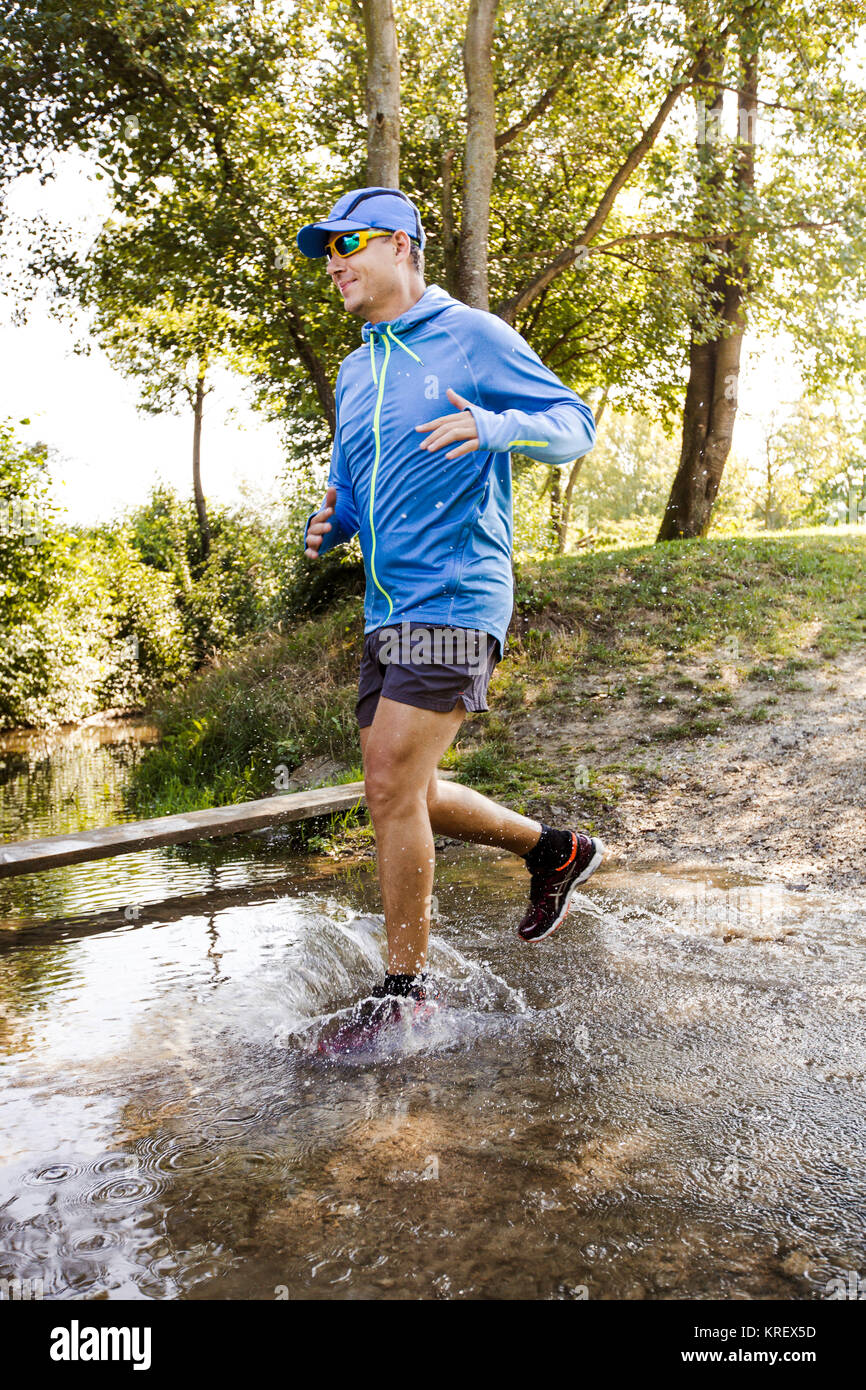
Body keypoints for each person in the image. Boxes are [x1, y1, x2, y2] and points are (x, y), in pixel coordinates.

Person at [297, 186, 604, 1050]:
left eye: (348, 243)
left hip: (460, 591)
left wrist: (498, 428)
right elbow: (352, 487)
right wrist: (337, 520)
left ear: (401, 244)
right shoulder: (357, 372)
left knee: (392, 781)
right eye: (326, 251)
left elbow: (574, 424)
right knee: (405, 789)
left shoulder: (470, 335)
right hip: (386, 606)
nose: (335, 262)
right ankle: (553, 850)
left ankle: (404, 995)